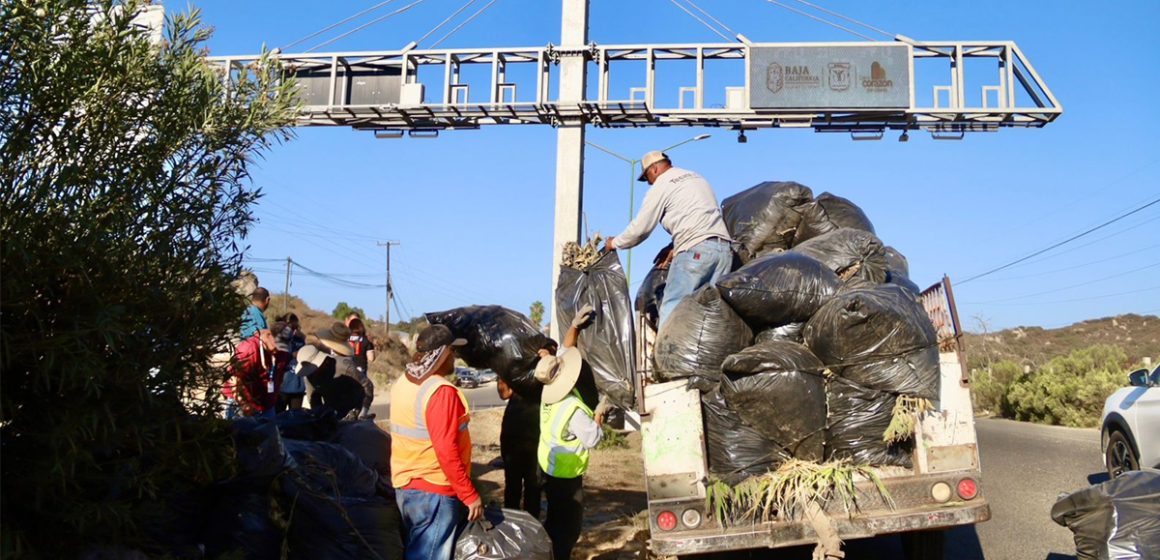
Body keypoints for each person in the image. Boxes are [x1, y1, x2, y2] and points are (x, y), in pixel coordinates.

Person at [605, 151, 734, 327]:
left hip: (695, 252)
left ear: (655, 168)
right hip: (723, 252)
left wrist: (614, 243)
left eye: (647, 177)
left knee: (673, 309)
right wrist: (673, 246)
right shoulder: (695, 177)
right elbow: (699, 216)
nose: (649, 182)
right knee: (710, 315)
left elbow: (640, 229)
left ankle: (666, 355)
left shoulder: (661, 185)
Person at [390, 324, 483, 560]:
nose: (455, 356)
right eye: (452, 351)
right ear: (441, 354)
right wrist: (469, 494)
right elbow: (446, 451)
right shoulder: (441, 392)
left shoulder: (404, 382)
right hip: (434, 493)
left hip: (406, 487)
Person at [536, 306, 602, 560]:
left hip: (550, 469)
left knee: (553, 522)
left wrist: (574, 326)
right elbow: (592, 438)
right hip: (567, 476)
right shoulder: (572, 409)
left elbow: (565, 350)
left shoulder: (549, 396)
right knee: (568, 530)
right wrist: (599, 414)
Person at [495, 342, 549, 518]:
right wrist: (502, 371)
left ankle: (530, 529)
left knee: (534, 486)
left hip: (536, 436)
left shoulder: (545, 368)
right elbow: (504, 394)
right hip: (513, 437)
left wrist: (546, 359)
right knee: (512, 486)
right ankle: (511, 527)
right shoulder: (515, 369)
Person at [300, 322, 376, 420]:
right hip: (331, 413)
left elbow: (367, 385)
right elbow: (314, 399)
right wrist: (320, 417)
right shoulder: (309, 375)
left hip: (352, 412)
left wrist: (363, 412)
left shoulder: (343, 365)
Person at [225, 327, 278, 418]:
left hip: (264, 402)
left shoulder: (270, 348)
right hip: (244, 403)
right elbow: (234, 379)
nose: (279, 349)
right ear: (269, 336)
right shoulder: (249, 349)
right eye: (279, 344)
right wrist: (244, 404)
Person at [275, 314, 307, 412]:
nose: (293, 331)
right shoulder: (278, 340)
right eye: (291, 327)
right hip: (282, 386)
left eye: (296, 327)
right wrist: (291, 355)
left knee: (296, 420)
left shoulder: (300, 340)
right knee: (279, 417)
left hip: (298, 386)